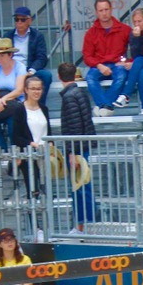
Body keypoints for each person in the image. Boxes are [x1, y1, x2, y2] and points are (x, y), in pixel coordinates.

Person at [57, 62, 98, 234]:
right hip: (83, 147)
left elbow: (73, 126)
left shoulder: (69, 97)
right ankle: (86, 224)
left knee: (79, 189)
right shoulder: (80, 93)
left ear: (59, 77)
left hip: (77, 150)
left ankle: (82, 225)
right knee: (83, 187)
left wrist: (72, 152)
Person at [82, 0, 131, 117]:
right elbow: (87, 56)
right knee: (90, 77)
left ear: (111, 10)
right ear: (96, 12)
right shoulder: (91, 33)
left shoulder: (124, 29)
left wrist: (128, 62)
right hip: (99, 65)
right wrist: (99, 66)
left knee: (121, 75)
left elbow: (136, 49)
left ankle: (102, 106)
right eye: (101, 10)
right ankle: (106, 106)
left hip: (117, 64)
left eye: (106, 9)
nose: (104, 13)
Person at [10, 75, 52, 199]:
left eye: (38, 89)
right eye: (33, 88)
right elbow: (16, 136)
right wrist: (31, 143)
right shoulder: (19, 109)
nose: (36, 92)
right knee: (33, 191)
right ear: (26, 90)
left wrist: (50, 143)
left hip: (44, 155)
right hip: (29, 156)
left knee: (46, 191)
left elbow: (48, 132)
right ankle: (32, 218)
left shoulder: (44, 109)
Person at [0, 37, 27, 150]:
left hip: (14, 101)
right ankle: (1, 150)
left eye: (2, 55)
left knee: (14, 118)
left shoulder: (20, 67)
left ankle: (15, 149)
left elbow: (19, 90)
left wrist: (5, 99)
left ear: (10, 55)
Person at [7, 5, 52, 97]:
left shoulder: (37, 36)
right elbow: (1, 55)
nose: (19, 22)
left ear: (29, 21)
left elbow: (41, 58)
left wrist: (31, 71)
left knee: (46, 75)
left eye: (22, 20)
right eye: (17, 19)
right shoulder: (8, 36)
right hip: (12, 69)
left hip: (29, 69)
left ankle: (40, 106)